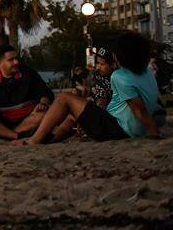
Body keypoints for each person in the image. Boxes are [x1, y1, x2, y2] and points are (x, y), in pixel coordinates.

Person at [18, 31, 164, 145]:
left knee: (64, 98)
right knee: (73, 114)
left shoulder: (120, 76)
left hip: (119, 130)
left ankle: (34, 140)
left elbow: (139, 108)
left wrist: (154, 133)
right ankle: (50, 140)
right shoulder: (147, 72)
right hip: (129, 126)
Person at [0, 46, 53, 141]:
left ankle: (7, 135)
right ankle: (15, 136)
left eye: (16, 58)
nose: (16, 62)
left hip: (28, 120)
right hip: (2, 123)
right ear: (0, 62)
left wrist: (42, 103)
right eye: (11, 60)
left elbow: (46, 92)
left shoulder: (28, 74)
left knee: (44, 114)